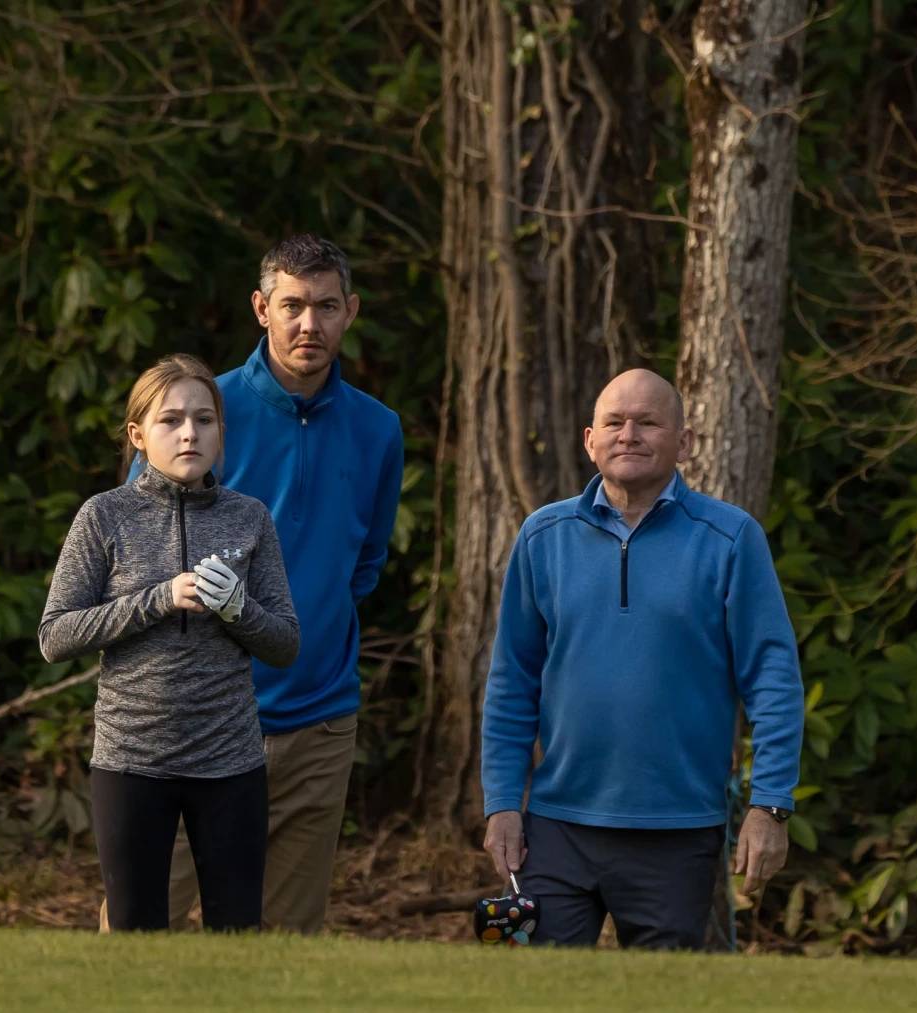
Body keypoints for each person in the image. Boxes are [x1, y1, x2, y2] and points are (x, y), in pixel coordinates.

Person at [123, 235, 404, 934]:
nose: (309, 324)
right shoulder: (201, 410)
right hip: (196, 719)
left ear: (351, 311)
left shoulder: (378, 428)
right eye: (293, 306)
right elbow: (137, 548)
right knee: (137, 930)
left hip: (318, 720)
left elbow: (361, 566)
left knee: (282, 948)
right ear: (261, 308)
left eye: (326, 307)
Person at [479, 368, 805, 949]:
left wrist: (770, 806)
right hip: (556, 826)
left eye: (647, 422)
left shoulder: (730, 538)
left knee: (666, 1001)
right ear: (589, 440)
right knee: (537, 995)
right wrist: (503, 804)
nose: (628, 434)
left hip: (678, 830)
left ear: (684, 442)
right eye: (614, 422)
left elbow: (773, 682)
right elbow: (511, 683)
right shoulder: (542, 536)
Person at [40, 353, 299, 931]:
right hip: (132, 760)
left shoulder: (250, 517)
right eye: (171, 420)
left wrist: (238, 608)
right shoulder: (103, 517)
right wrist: (157, 599)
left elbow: (284, 644)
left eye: (204, 420)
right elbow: (54, 635)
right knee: (134, 935)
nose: (190, 433)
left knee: (236, 935)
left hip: (229, 761)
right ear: (138, 435)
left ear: (221, 432)